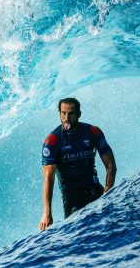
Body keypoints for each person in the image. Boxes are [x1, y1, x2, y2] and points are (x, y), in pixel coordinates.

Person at [39, 97, 117, 231]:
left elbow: (111, 165)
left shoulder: (93, 132)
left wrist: (108, 190)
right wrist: (47, 213)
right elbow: (48, 178)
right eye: (63, 113)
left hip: (94, 189)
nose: (66, 118)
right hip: (72, 197)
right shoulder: (52, 141)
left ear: (79, 114)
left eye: (71, 113)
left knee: (112, 226)